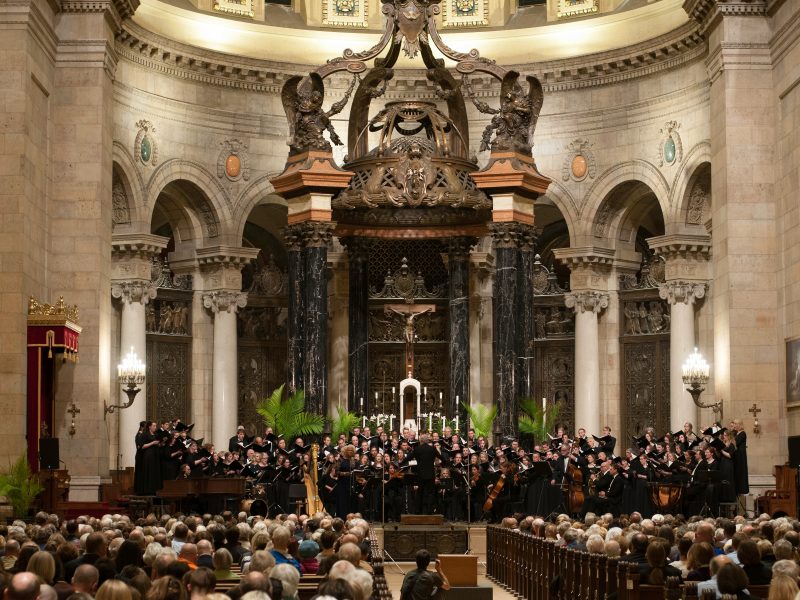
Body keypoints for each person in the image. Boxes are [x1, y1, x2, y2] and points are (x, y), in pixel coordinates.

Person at [411, 434, 439, 514]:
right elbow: (441, 457)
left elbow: (409, 457)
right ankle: (430, 511)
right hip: (430, 475)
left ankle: (418, 511)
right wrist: (446, 462)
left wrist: (401, 463)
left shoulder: (417, 449)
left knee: (420, 492)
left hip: (421, 474)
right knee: (430, 493)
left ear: (421, 440)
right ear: (427, 440)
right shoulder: (432, 449)